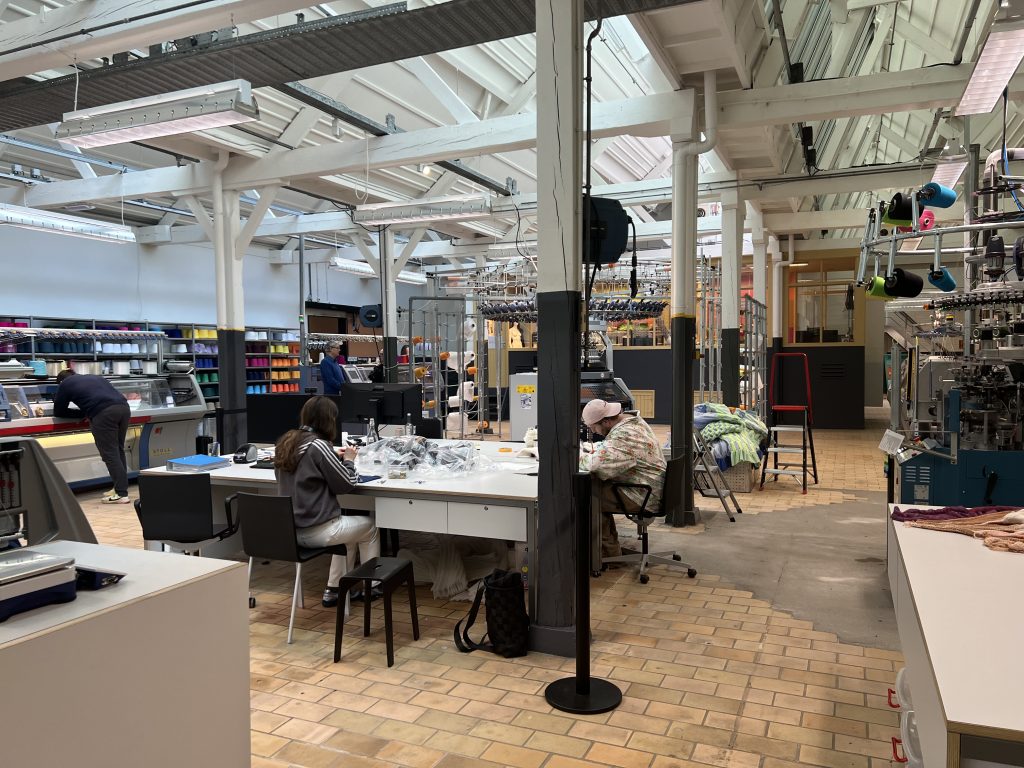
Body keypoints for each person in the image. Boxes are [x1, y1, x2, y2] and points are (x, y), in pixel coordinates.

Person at [274, 395, 379, 608]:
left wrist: (331, 455)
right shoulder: (319, 446)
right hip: (318, 530)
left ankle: (334, 589)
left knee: (348, 533)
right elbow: (347, 483)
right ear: (328, 420)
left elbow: (308, 464)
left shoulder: (286, 441)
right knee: (371, 528)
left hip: (291, 531)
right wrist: (349, 460)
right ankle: (373, 586)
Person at [579, 398, 667, 559]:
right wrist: (594, 448)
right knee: (595, 490)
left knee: (586, 496)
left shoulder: (624, 435)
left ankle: (607, 556)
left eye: (593, 428)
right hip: (650, 486)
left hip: (643, 495)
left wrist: (573, 456)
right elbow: (611, 449)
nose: (594, 432)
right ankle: (608, 550)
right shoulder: (632, 422)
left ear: (605, 421)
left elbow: (595, 465)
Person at [53, 369, 132, 504]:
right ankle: (119, 488)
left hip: (104, 414)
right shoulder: (95, 377)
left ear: (60, 381)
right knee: (117, 450)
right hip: (124, 408)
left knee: (110, 453)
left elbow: (59, 411)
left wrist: (82, 414)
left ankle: (121, 493)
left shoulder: (65, 384)